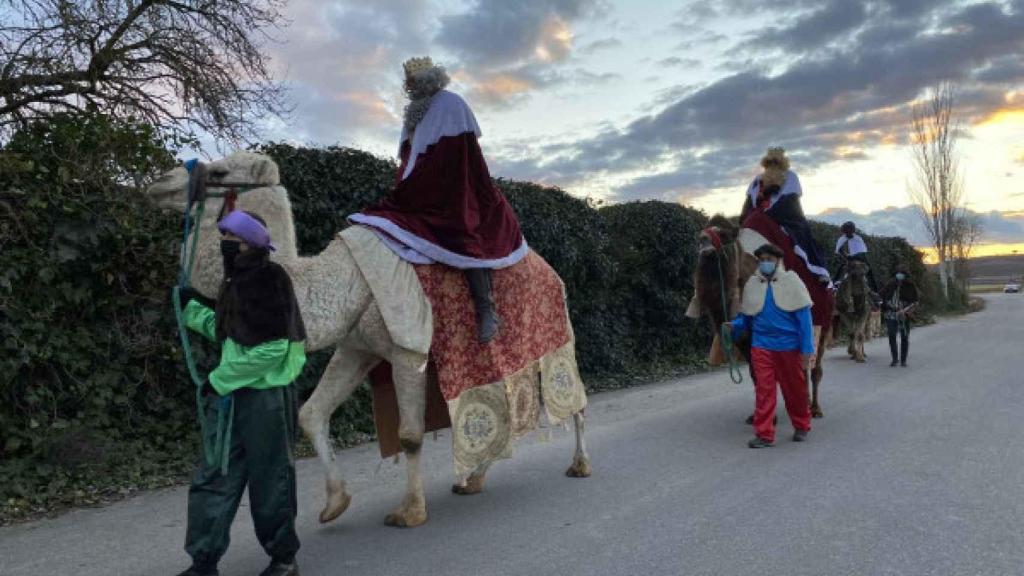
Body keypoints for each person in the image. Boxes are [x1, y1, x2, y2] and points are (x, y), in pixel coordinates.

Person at [349, 56, 527, 343]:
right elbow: (410, 156)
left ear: (428, 80)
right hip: (423, 186)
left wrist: (432, 184)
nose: (409, 87)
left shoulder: (451, 104)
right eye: (407, 83)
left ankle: (486, 310)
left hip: (457, 187)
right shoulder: (415, 112)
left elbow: (459, 156)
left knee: (465, 231)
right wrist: (408, 185)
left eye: (413, 82)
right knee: (385, 218)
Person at [175, 210, 307, 576]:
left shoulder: (270, 278)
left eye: (230, 237)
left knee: (272, 480)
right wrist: (190, 309)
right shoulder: (236, 279)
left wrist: (219, 379)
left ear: (249, 242)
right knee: (213, 477)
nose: (224, 244)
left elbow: (272, 349)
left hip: (266, 399)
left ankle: (283, 559)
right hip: (233, 397)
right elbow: (230, 333)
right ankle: (203, 562)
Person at [723, 243, 815, 448]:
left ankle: (801, 425)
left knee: (795, 390)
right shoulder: (752, 284)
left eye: (769, 260)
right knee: (763, 390)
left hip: (789, 347)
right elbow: (747, 317)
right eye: (762, 260)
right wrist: (734, 325)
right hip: (761, 345)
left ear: (778, 261)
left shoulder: (792, 281)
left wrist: (807, 349)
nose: (765, 263)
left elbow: (804, 319)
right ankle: (764, 434)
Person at [879, 267, 919, 368]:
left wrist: (905, 310)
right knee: (892, 335)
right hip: (890, 314)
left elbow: (915, 302)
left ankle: (903, 360)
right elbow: (881, 297)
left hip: (904, 315)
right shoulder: (890, 285)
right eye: (898, 273)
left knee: (904, 337)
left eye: (902, 274)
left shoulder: (910, 286)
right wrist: (887, 305)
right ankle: (894, 359)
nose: (899, 275)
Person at [833, 221, 879, 294]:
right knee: (839, 272)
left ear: (853, 231)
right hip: (846, 261)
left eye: (850, 231)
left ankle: (874, 292)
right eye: (846, 231)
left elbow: (862, 253)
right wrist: (844, 256)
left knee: (869, 273)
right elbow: (839, 251)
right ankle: (834, 287)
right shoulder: (841, 239)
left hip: (860, 261)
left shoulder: (858, 239)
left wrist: (853, 256)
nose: (848, 233)